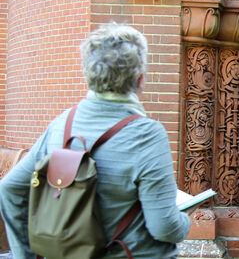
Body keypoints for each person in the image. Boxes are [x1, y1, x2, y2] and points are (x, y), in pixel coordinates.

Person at [0, 24, 190, 258]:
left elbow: (9, 189)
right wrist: (185, 221)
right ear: (140, 79)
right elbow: (164, 228)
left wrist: (25, 255)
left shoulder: (61, 124)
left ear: (88, 75)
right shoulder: (147, 134)